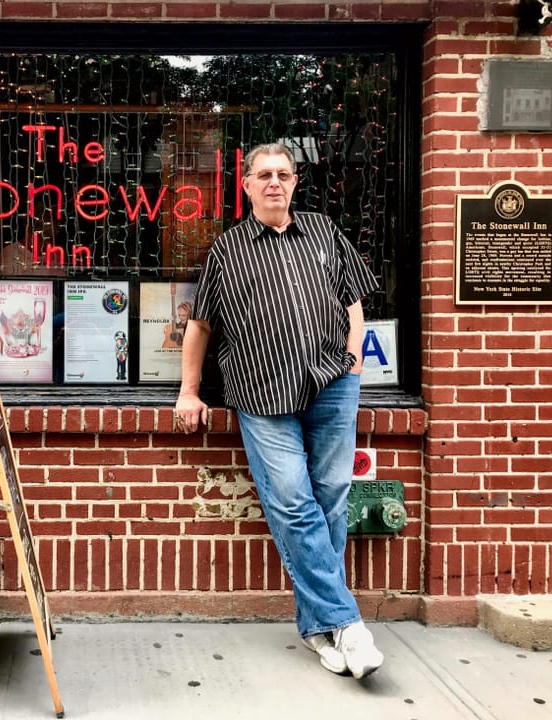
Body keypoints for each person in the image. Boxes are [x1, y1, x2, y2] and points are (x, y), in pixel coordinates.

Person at [173, 143, 383, 679]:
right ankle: (348, 624)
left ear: (295, 182)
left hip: (332, 384)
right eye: (263, 175)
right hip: (262, 394)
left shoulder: (323, 231)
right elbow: (200, 326)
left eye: (283, 175)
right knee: (292, 500)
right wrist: (189, 391)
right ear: (245, 186)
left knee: (332, 496)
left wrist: (355, 358)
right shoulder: (228, 249)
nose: (273, 183)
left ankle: (319, 629)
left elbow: (353, 299)